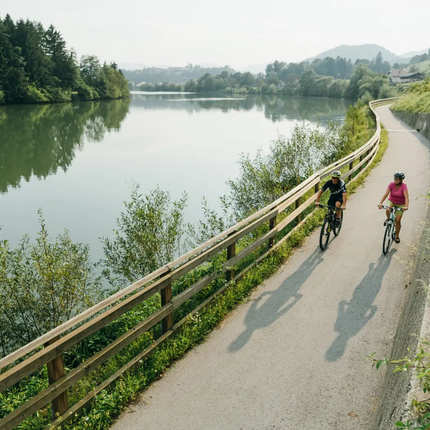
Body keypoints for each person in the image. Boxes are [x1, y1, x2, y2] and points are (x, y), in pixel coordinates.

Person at [378, 172, 409, 243]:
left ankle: (397, 235)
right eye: (395, 179)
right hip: (392, 201)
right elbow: (386, 194)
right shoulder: (391, 184)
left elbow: (406, 197)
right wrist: (380, 203)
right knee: (387, 209)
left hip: (401, 204)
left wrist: (406, 206)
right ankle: (388, 219)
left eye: (397, 179)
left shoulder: (404, 186)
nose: (395, 180)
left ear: (401, 180)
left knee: (397, 221)